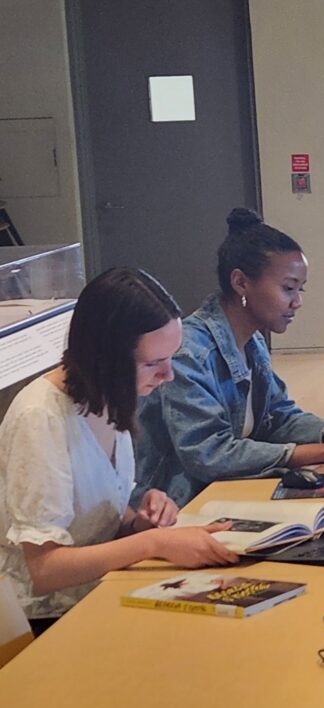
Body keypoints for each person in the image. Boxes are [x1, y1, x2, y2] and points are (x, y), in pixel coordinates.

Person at [0, 268, 238, 631]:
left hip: (100, 588)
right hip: (46, 616)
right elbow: (45, 570)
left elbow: (98, 520)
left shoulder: (108, 394)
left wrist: (140, 520)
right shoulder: (40, 416)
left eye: (170, 358)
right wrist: (153, 542)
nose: (168, 376)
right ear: (106, 357)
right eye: (153, 363)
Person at [135, 208, 324, 506]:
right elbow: (209, 454)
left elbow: (277, 417)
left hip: (227, 492)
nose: (297, 302)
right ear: (241, 283)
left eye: (300, 289)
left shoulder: (251, 340)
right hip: (180, 507)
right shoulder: (188, 352)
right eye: (288, 288)